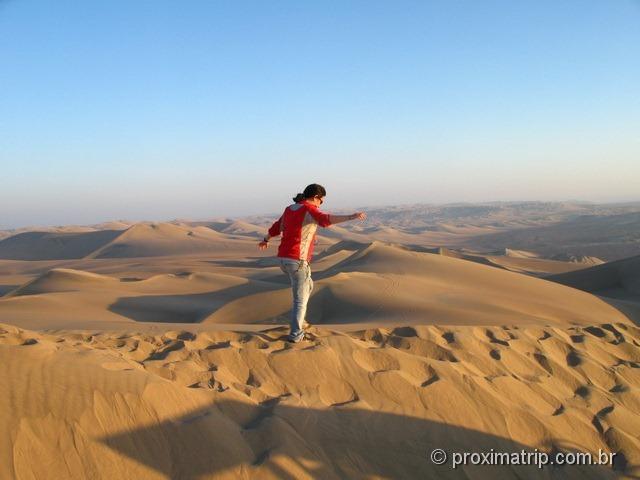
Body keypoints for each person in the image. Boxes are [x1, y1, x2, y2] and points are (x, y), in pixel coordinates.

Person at [258, 183, 366, 342]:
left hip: (283, 259)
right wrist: (352, 216)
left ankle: (300, 322)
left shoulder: (289, 209)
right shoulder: (309, 209)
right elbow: (326, 220)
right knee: (300, 300)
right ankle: (296, 334)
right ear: (316, 197)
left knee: (308, 285)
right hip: (297, 260)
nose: (321, 204)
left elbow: (277, 227)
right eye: (321, 201)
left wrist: (265, 240)